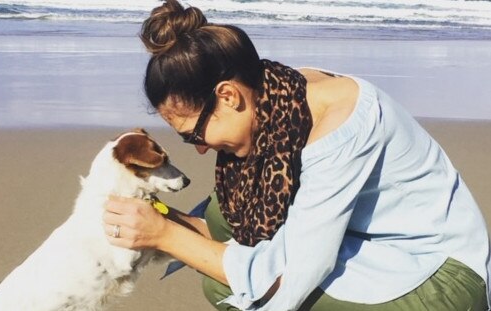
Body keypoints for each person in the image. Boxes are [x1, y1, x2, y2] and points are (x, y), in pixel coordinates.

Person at [102, 0, 490, 310]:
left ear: (227, 96)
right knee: (223, 217)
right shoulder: (277, 92)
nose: (201, 149)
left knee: (230, 288)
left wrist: (167, 235)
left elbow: (290, 278)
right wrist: (166, 225)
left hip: (439, 275)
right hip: (365, 242)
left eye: (195, 135)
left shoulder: (338, 130)